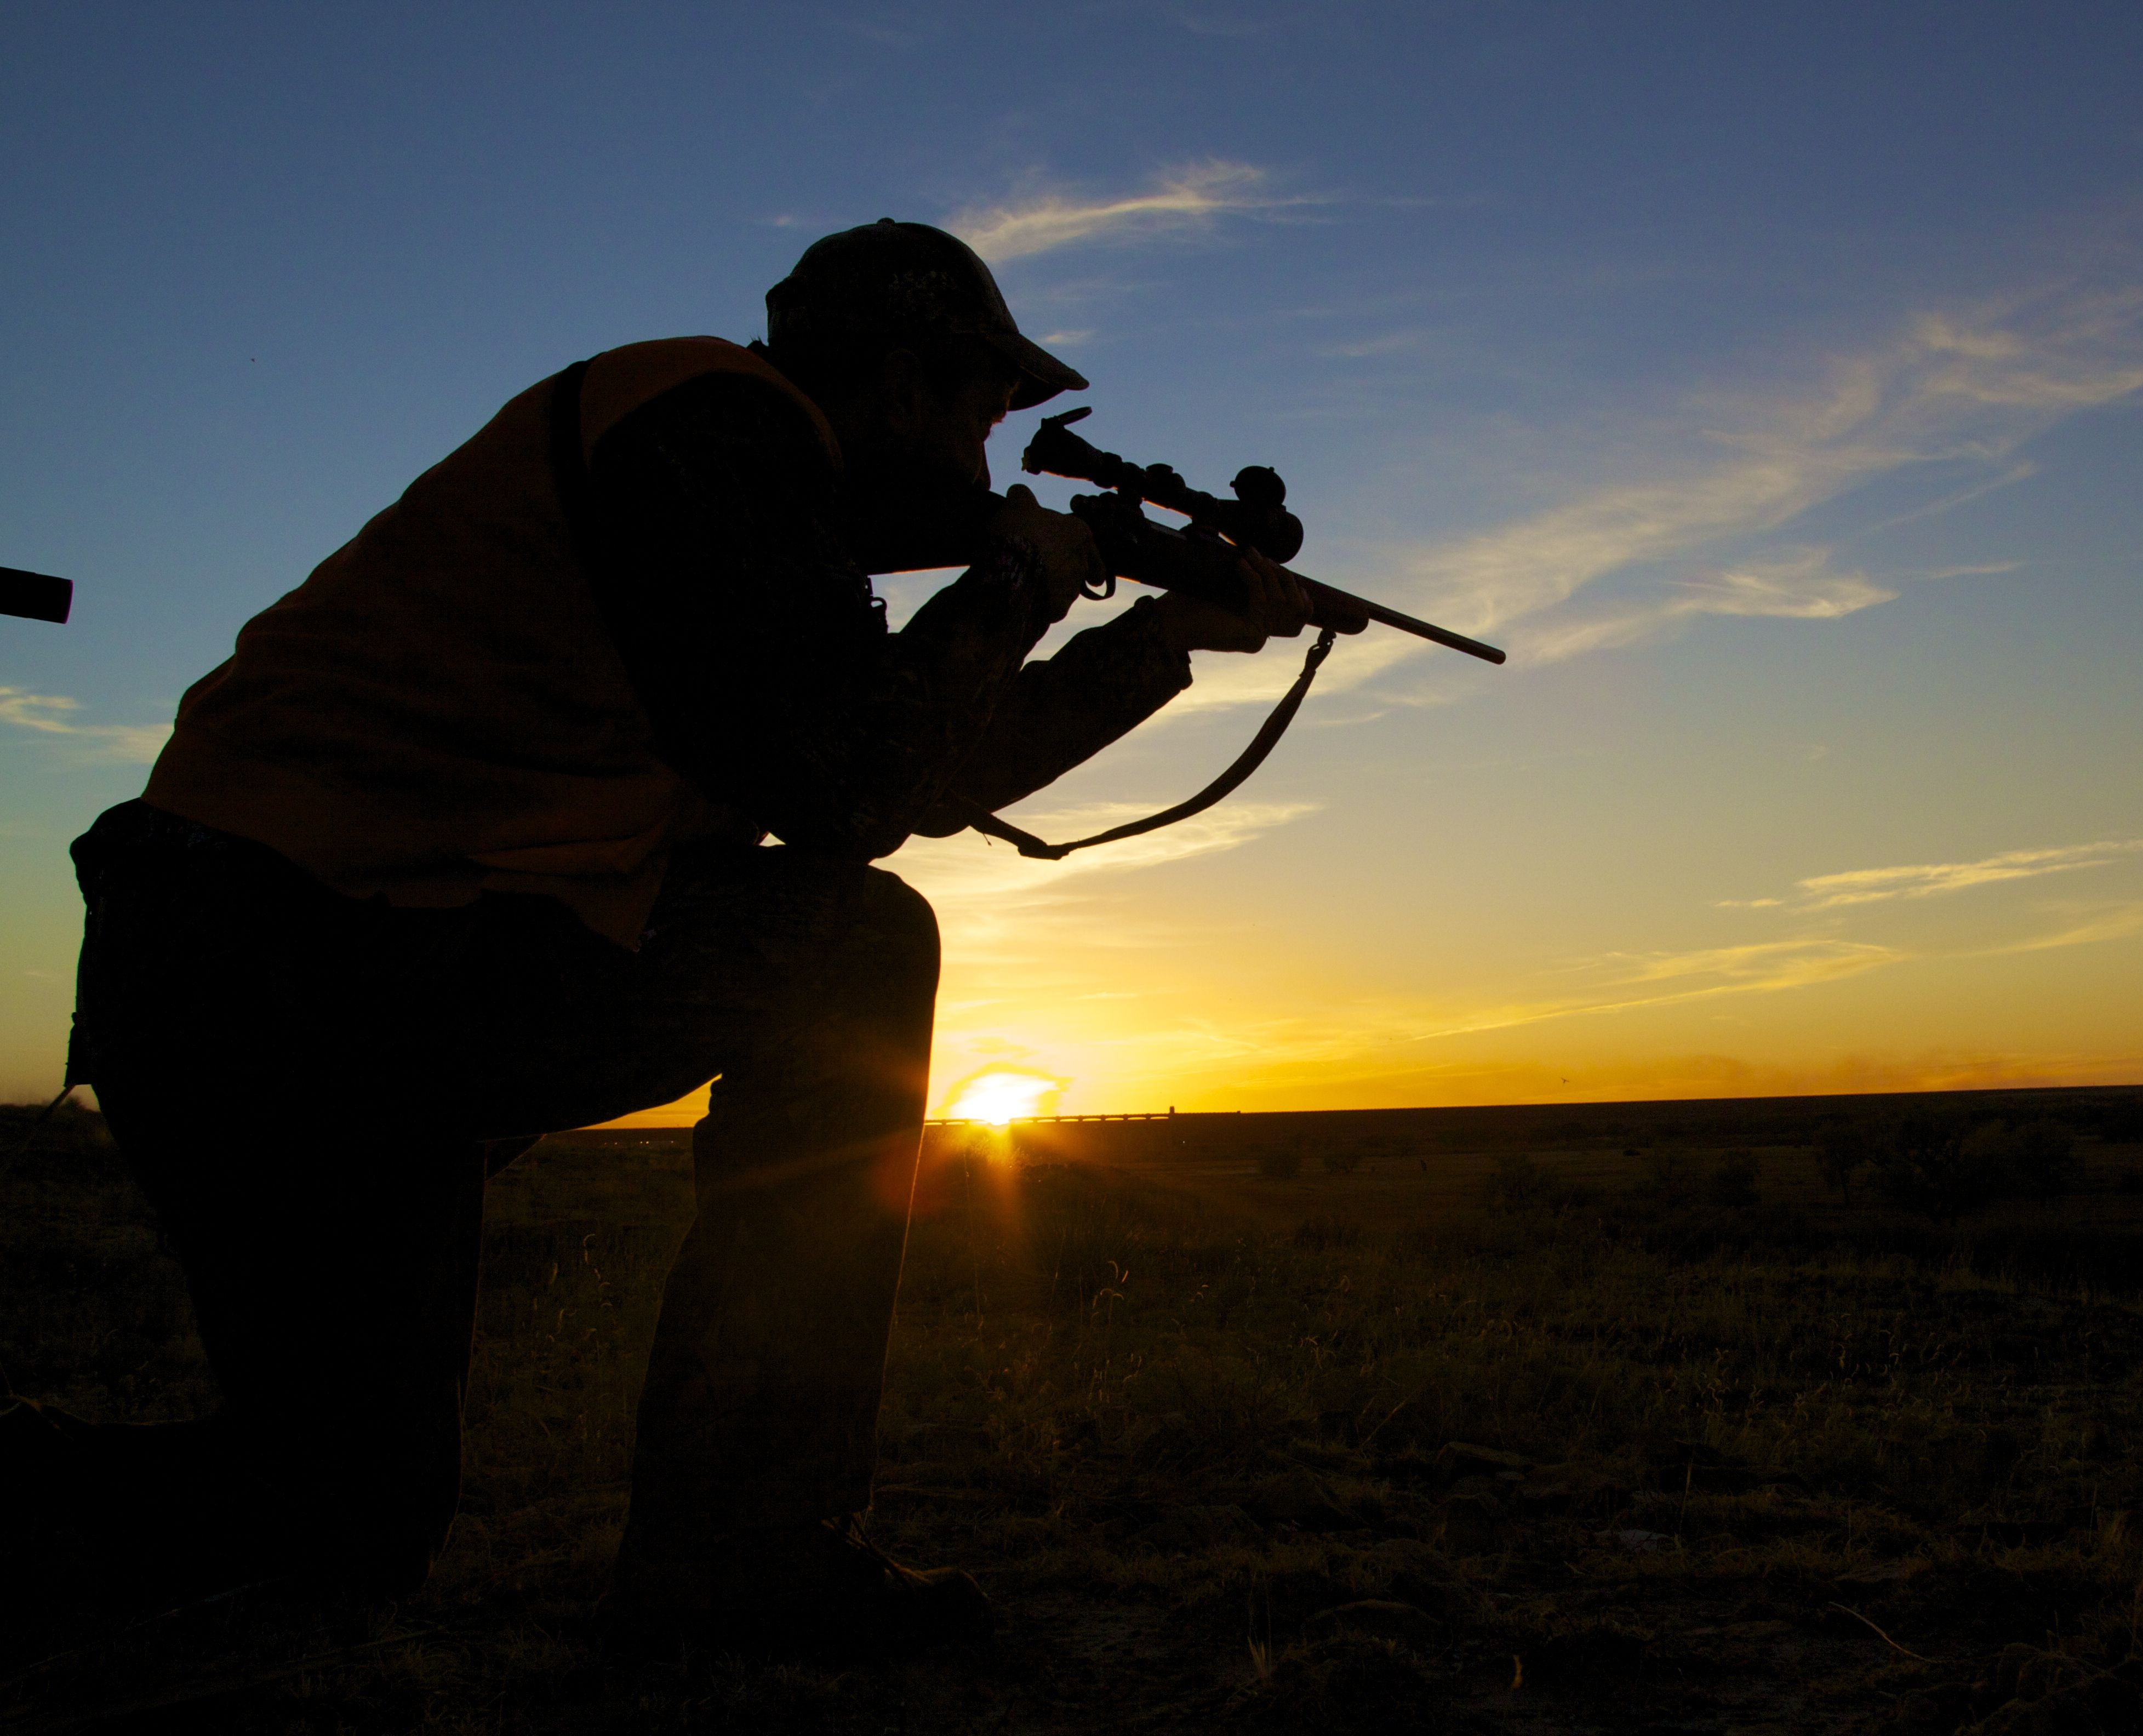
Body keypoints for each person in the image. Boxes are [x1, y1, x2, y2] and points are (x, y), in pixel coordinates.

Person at [6, 220, 1308, 1657]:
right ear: (901, 384)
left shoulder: (755, 499)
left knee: (342, 1520)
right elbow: (849, 788)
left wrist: (1160, 637)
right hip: (288, 963)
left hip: (312, 976)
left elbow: (909, 765)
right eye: (983, 413)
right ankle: (744, 1564)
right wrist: (1009, 579)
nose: (990, 462)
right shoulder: (712, 426)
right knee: (848, 950)